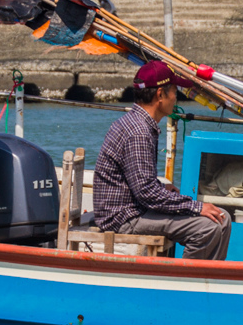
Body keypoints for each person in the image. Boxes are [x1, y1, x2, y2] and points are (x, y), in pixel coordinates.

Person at [93, 60, 231, 260]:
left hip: (136, 208)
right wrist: (197, 207)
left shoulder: (138, 123)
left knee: (222, 218)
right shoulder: (139, 132)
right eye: (174, 91)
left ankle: (207, 281)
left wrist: (162, 189)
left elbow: (139, 182)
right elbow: (147, 194)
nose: (176, 98)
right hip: (125, 218)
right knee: (209, 227)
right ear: (160, 95)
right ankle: (184, 284)